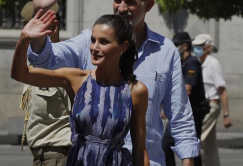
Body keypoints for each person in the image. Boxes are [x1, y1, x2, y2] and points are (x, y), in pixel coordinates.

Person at [27, 0, 199, 166]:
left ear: (148, 5)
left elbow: (180, 114)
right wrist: (40, 15)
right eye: (118, 0)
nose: (121, 7)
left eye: (130, 2)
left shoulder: (165, 50)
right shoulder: (89, 43)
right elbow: (45, 60)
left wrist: (188, 160)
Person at [11, 12, 150, 166]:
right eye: (93, 40)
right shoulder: (76, 79)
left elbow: (139, 151)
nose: (94, 48)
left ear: (123, 47)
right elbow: (20, 74)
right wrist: (24, 38)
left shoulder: (135, 91)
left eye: (104, 42)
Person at [19, 2, 71, 166]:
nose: (28, 36)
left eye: (33, 31)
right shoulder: (33, 63)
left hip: (58, 156)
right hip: (42, 157)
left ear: (53, 28)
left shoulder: (65, 65)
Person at [163, 32, 209, 166]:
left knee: (172, 144)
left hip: (193, 110)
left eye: (176, 45)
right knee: (188, 147)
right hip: (183, 110)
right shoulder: (181, 62)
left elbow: (187, 89)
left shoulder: (192, 62)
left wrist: (169, 104)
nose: (174, 47)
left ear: (185, 46)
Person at [192, 34, 232, 166]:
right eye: (195, 46)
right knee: (209, 144)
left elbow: (222, 90)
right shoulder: (197, 63)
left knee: (197, 138)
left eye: (200, 46)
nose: (196, 49)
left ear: (208, 48)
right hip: (202, 106)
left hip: (211, 105)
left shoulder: (213, 64)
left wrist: (226, 114)